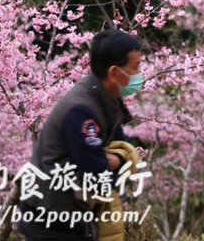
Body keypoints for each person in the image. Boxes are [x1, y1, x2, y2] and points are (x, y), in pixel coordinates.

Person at [17, 29, 144, 240]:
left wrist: (119, 158)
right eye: (135, 68)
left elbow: (123, 146)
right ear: (114, 72)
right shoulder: (81, 111)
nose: (139, 75)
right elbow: (99, 179)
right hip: (51, 221)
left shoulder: (107, 96)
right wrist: (117, 161)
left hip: (73, 215)